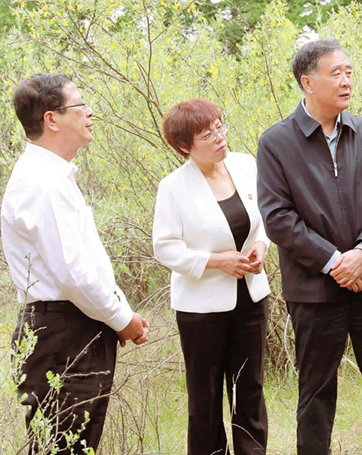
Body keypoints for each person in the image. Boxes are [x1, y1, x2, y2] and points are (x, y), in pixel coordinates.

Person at [256, 38, 362, 454]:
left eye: (349, 72)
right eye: (335, 73)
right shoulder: (276, 143)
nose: (346, 81)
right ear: (307, 82)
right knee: (316, 395)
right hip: (314, 291)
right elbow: (278, 218)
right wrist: (333, 262)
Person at [1, 73, 149, 454]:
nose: (90, 112)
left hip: (71, 327)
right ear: (52, 119)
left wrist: (114, 315)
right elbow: (74, 275)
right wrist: (123, 319)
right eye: (80, 105)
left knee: (74, 444)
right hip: (64, 332)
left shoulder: (52, 175)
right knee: (64, 446)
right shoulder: (43, 182)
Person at [153, 99, 270, 455]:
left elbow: (265, 217)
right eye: (207, 134)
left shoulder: (245, 165)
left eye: (220, 127)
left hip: (250, 297)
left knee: (250, 391)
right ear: (184, 145)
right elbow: (165, 248)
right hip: (201, 309)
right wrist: (216, 262)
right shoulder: (173, 187)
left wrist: (261, 246)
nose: (220, 137)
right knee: (205, 399)